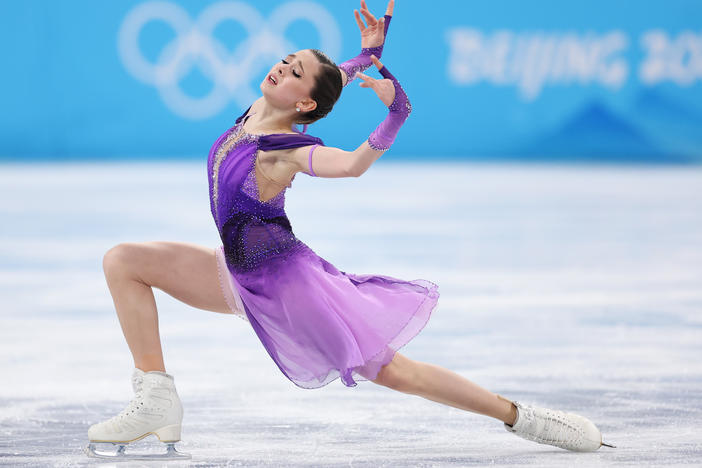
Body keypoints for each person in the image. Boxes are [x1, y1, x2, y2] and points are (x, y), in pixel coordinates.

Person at [85, 0, 613, 460]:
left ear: (305, 105)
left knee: (396, 373)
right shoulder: (256, 115)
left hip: (287, 286)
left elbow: (352, 164)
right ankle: (156, 398)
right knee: (124, 261)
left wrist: (396, 113)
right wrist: (365, 54)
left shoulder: (286, 149)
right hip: (235, 271)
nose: (282, 70)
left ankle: (522, 416)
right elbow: (330, 77)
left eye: (294, 74)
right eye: (285, 61)